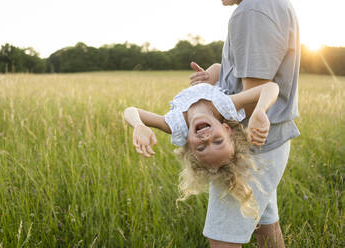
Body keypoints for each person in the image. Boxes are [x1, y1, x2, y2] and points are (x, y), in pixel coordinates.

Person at [189, 0, 300, 247]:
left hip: (251, 146)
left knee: (222, 239)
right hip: (271, 142)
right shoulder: (270, 4)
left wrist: (205, 108)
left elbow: (254, 97)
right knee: (266, 226)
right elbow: (246, 76)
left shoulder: (253, 10)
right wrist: (215, 74)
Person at [124, 81, 279, 221]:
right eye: (218, 141)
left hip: (200, 84)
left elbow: (130, 110)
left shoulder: (174, 124)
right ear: (226, 129)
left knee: (211, 72)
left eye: (201, 147)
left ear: (189, 144)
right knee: (216, 69)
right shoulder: (224, 105)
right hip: (214, 80)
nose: (206, 138)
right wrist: (261, 109)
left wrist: (138, 124)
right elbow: (270, 87)